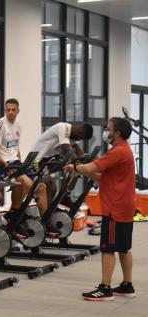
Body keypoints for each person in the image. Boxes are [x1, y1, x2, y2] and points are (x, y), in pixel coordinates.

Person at [63, 117, 136, 301]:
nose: (105, 131)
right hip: (125, 206)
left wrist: (74, 167)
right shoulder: (125, 149)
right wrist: (86, 171)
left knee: (108, 248)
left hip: (115, 208)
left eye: (108, 128)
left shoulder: (118, 151)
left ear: (117, 132)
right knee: (124, 248)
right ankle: (127, 285)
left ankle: (105, 288)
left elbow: (93, 166)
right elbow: (104, 177)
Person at [30, 122, 93, 214]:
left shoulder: (72, 136)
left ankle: (48, 211)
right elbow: (66, 147)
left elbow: (79, 152)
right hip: (36, 160)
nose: (79, 139)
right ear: (81, 131)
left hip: (45, 161)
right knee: (45, 186)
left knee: (53, 189)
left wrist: (90, 162)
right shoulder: (62, 128)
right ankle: (43, 214)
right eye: (80, 137)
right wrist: (77, 163)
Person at [0, 98, 33, 214]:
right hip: (3, 163)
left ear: (18, 111)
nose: (10, 112)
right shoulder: (0, 124)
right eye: (8, 110)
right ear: (4, 111)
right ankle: (14, 211)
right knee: (27, 183)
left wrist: (21, 164)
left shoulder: (18, 126)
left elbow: (16, 149)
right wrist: (5, 165)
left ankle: (16, 210)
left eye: (13, 110)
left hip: (15, 161)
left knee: (40, 185)